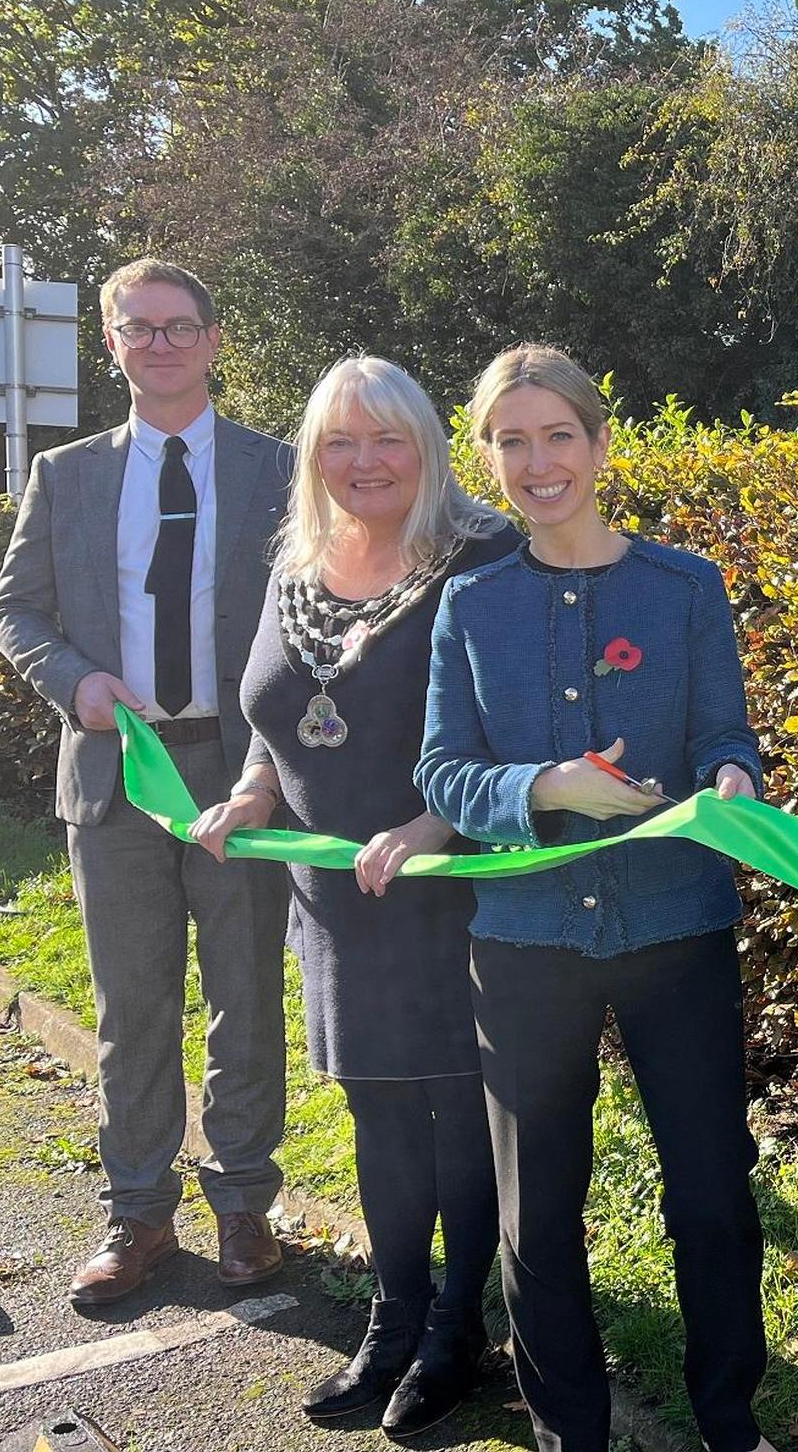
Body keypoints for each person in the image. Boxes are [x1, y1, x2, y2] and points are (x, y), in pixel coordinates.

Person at [415, 344, 778, 1452]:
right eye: (510, 442)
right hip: (524, 946)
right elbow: (440, 772)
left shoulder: (683, 587)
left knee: (713, 1196)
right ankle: (569, 1431)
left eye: (556, 436)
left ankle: (727, 1421)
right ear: (487, 458)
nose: (537, 462)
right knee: (540, 1211)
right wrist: (545, 788)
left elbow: (726, 734)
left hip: (677, 928)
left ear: (600, 444)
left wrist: (730, 782)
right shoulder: (469, 604)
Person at [188, 356, 513, 1437]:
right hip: (331, 900)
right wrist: (245, 793)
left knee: (457, 1118)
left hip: (449, 893)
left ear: (425, 447)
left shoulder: (481, 559)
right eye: (340, 441)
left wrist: (435, 824)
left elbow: (520, 734)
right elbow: (274, 724)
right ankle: (395, 1315)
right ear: (313, 457)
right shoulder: (291, 564)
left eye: (388, 439)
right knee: (378, 1110)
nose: (364, 462)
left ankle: (459, 1329)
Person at [0, 256, 295, 1306]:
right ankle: (139, 1216)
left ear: (214, 340)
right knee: (132, 1009)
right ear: (111, 345)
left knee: (247, 998)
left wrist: (275, 756)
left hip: (240, 769)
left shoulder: (280, 471)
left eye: (178, 326)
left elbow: (314, 613)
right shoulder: (65, 477)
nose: (159, 343)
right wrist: (73, 684)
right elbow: (15, 611)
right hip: (117, 775)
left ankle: (247, 1206)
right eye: (138, 328)